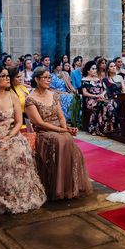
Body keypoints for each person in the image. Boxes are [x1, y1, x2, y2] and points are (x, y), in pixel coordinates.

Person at [0, 66, 46, 215]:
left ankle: (18, 195)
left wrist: (9, 136)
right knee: (1, 155)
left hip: (10, 134)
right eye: (3, 76)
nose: (7, 79)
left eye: (7, 76)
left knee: (19, 152)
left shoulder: (12, 96)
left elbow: (18, 122)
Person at [25, 67, 92, 200]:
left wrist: (66, 128)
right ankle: (57, 187)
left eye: (50, 77)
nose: (49, 80)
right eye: (45, 78)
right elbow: (39, 123)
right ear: (37, 79)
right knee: (60, 140)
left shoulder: (53, 95)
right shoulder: (30, 99)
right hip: (44, 132)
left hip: (59, 128)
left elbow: (61, 116)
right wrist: (61, 130)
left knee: (68, 139)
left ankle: (69, 186)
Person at [81, 61, 117, 136]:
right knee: (103, 104)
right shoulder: (84, 80)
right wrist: (96, 96)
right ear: (88, 70)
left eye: (95, 69)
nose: (95, 70)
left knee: (108, 104)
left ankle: (105, 128)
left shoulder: (97, 79)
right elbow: (84, 93)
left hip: (99, 98)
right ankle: (97, 128)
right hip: (90, 100)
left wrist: (102, 94)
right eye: (93, 69)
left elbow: (103, 90)